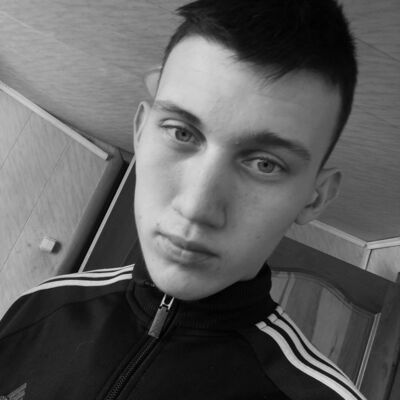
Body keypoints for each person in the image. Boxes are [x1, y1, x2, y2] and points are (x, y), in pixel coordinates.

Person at [0, 0, 366, 399]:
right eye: (181, 133)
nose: (195, 209)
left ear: (314, 199)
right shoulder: (43, 303)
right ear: (141, 132)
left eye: (265, 164)